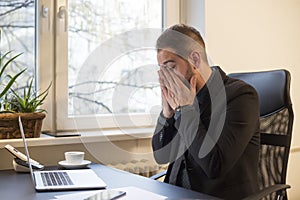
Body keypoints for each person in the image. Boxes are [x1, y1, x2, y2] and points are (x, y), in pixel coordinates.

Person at [152, 24, 260, 200]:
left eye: (170, 68)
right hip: (175, 194)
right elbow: (162, 155)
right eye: (162, 70)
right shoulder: (183, 99)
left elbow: (215, 166)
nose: (165, 78)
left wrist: (185, 111)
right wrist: (167, 114)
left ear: (195, 60)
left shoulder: (240, 96)